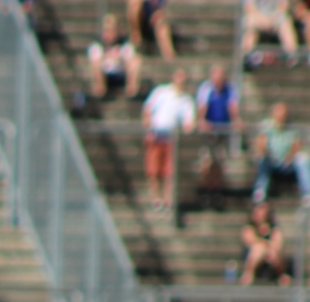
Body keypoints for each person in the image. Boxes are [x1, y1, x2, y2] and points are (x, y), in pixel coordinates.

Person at [140, 68, 195, 213]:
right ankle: (156, 199)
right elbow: (148, 109)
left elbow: (188, 122)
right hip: (156, 137)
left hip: (171, 141)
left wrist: (187, 127)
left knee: (169, 172)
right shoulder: (161, 92)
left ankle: (167, 200)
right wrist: (149, 129)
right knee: (153, 170)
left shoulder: (186, 100)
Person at [193, 64, 240, 210]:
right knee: (207, 161)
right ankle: (205, 189)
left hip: (223, 131)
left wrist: (236, 120)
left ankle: (216, 190)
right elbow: (202, 108)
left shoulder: (230, 89)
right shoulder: (206, 89)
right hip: (209, 131)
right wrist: (202, 121)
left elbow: (232, 106)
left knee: (219, 161)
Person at [251, 102, 310, 204]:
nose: (281, 116)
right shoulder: (266, 125)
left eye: (284, 113)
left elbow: (297, 144)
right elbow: (260, 143)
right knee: (262, 159)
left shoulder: (292, 127)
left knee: (303, 159)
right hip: (271, 160)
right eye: (279, 113)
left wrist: (289, 156)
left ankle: (307, 194)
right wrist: (266, 153)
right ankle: (260, 191)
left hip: (287, 161)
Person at [85, 12, 142, 99]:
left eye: (112, 30)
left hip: (121, 74)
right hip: (105, 76)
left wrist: (118, 58)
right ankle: (100, 92)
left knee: (136, 61)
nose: (109, 33)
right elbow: (95, 59)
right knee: (95, 64)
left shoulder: (124, 43)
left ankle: (132, 92)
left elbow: (130, 57)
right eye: (107, 30)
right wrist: (109, 56)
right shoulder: (97, 44)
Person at [239, 199, 293, 283]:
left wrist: (269, 249)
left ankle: (281, 274)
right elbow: (251, 240)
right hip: (255, 256)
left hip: (270, 257)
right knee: (259, 248)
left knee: (274, 252)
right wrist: (266, 245)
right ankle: (249, 273)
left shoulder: (274, 229)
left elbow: (278, 243)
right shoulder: (249, 228)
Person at [241, 0, 300, 67]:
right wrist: (262, 20)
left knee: (285, 22)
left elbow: (283, 7)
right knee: (249, 22)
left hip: (274, 18)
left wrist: (272, 19)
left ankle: (292, 54)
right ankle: (246, 55)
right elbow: (249, 8)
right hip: (258, 17)